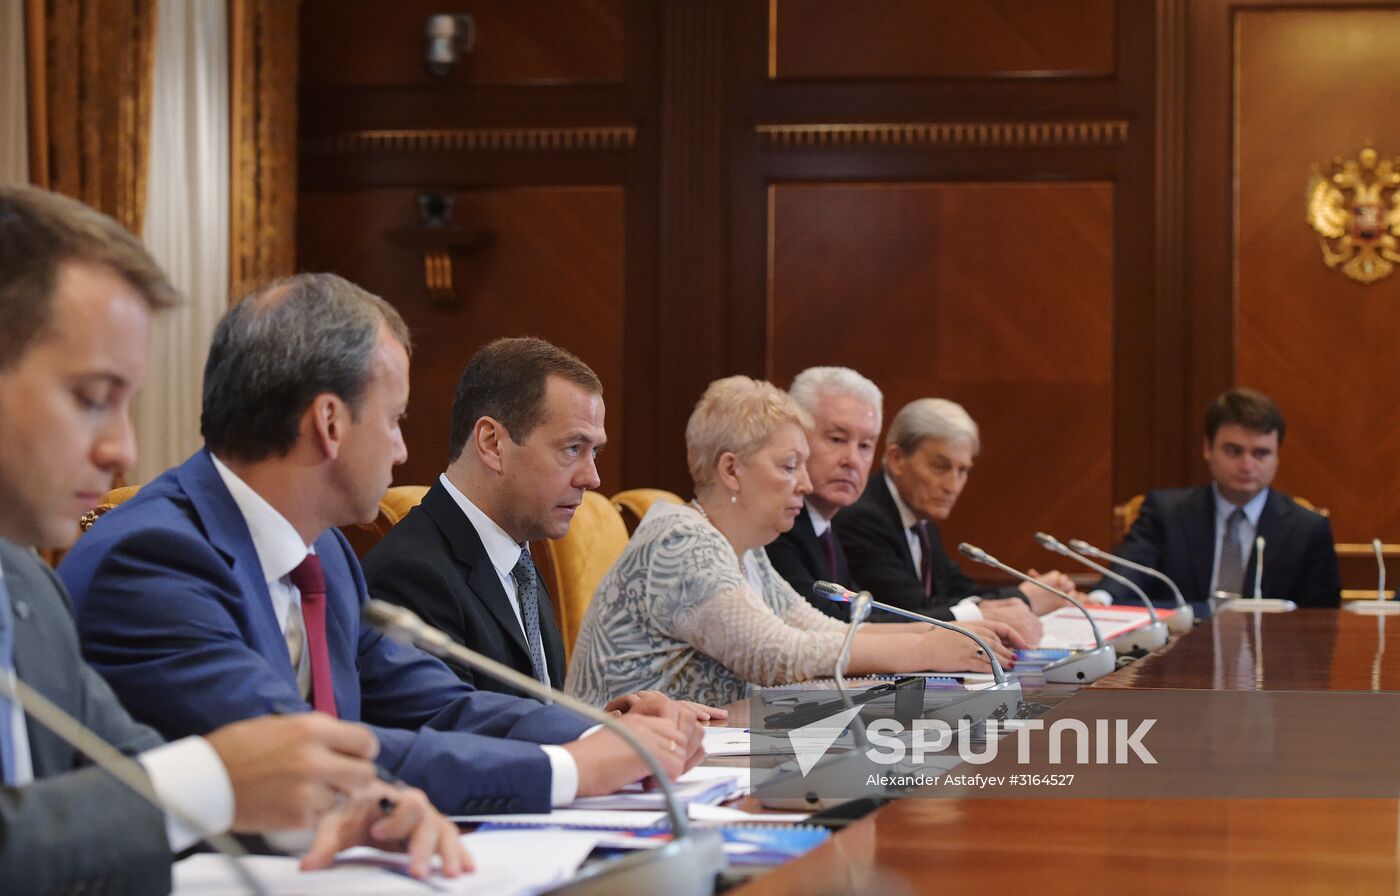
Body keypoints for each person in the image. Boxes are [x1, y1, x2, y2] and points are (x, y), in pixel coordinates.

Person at [59, 273, 701, 821]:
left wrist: (604, 734)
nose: (401, 450)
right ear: (330, 424)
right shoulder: (153, 560)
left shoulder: (327, 558)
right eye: (394, 420)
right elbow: (309, 754)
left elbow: (442, 705)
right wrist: (566, 770)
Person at [0, 186, 465, 893]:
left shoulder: (25, 587)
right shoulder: (145, 555)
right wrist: (216, 780)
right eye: (93, 398)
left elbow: (121, 776)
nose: (122, 450)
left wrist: (352, 811)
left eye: (129, 405)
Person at [565, 376, 1025, 707]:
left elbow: (817, 628)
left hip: (698, 756)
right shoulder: (682, 541)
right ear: (731, 470)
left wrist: (939, 633)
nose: (805, 485)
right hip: (626, 771)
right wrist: (926, 650)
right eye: (789, 467)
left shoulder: (745, 551)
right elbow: (777, 654)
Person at [362, 338, 724, 720]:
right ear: (492, 443)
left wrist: (610, 725)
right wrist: (597, 740)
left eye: (594, 451)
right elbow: (453, 741)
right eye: (573, 448)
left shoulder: (517, 558)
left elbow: (521, 718)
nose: (593, 477)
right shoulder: (412, 575)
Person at [837, 398, 1084, 644]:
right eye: (940, 467)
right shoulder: (863, 519)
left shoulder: (922, 519)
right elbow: (914, 611)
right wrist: (1024, 597)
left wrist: (1031, 593)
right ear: (897, 458)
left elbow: (960, 592)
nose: (953, 486)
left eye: (962, 470)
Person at [1090, 388, 1341, 610]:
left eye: (1260, 453)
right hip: (1177, 654)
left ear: (1277, 457)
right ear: (1208, 449)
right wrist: (1101, 599)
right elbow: (1131, 569)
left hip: (1270, 658)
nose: (1246, 465)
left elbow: (1321, 621)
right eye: (1233, 450)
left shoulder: (1307, 529)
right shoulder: (1166, 513)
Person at [765, 367, 882, 620]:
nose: (852, 460)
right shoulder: (777, 526)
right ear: (796, 437)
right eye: (837, 439)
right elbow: (829, 624)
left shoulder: (824, 526)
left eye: (865, 446)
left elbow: (857, 614)